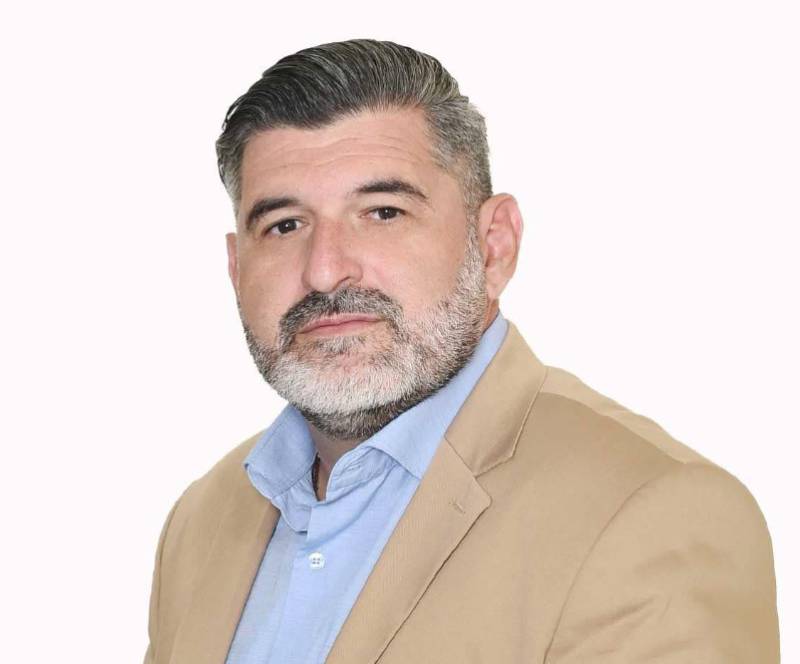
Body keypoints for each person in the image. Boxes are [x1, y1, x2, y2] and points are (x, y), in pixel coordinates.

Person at [143, 39, 780, 664]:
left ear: (494, 245)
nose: (325, 270)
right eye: (284, 225)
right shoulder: (201, 521)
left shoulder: (651, 512)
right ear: (236, 268)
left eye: (383, 212)